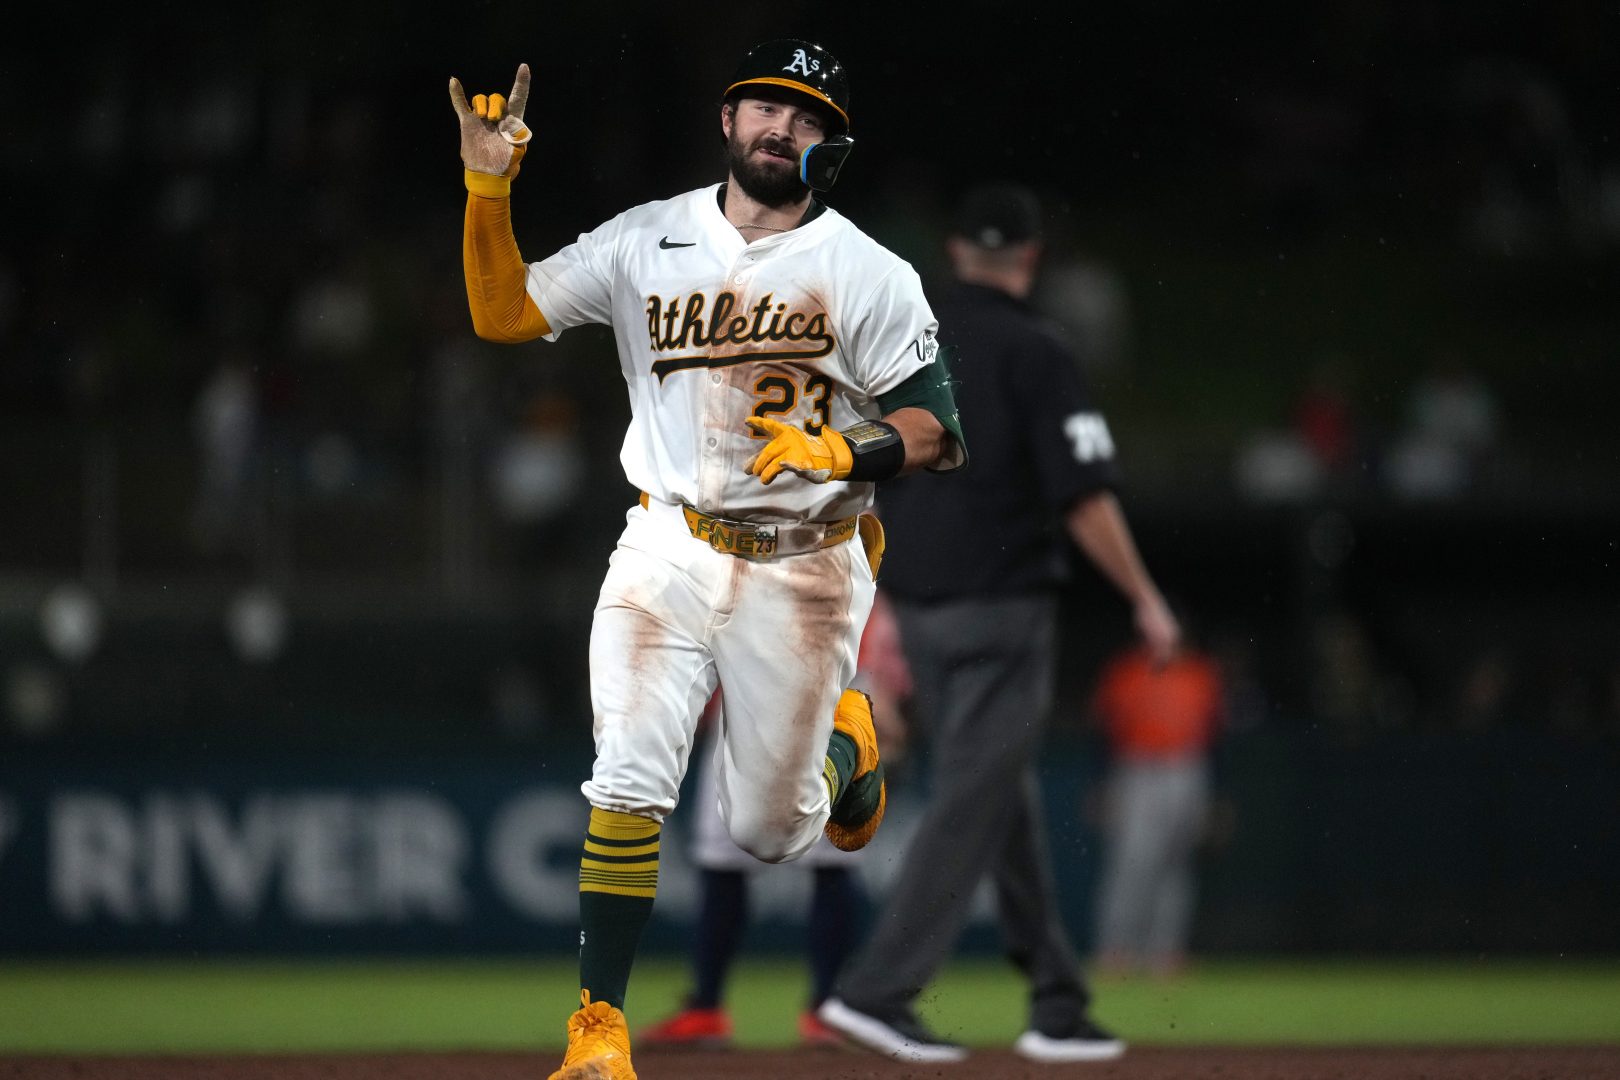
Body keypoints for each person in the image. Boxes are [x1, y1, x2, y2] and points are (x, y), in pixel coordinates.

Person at [448, 39, 966, 1080]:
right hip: (668, 541)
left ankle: (847, 745)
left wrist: (844, 450)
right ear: (728, 120)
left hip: (806, 562)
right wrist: (488, 191)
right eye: (766, 107)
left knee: (773, 833)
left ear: (831, 146)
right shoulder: (646, 239)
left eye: (807, 117)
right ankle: (598, 1028)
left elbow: (939, 430)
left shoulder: (867, 271)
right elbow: (503, 311)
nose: (782, 127)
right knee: (628, 775)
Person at [816, 181, 1181, 1065]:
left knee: (995, 791)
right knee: (974, 795)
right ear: (1031, 255)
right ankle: (877, 992)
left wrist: (872, 600)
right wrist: (1144, 595)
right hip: (1002, 607)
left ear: (952, 252)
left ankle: (1057, 998)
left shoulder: (905, 340)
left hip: (918, 605)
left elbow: (859, 468)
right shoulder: (1037, 349)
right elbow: (1082, 494)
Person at [638, 585, 913, 1049]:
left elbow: (858, 584)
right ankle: (705, 1008)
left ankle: (828, 1007)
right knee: (720, 855)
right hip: (743, 690)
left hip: (830, 685)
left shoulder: (838, 543)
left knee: (832, 852)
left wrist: (875, 682)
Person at [1088, 622, 1225, 980]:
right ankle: (1116, 950)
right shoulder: (1126, 670)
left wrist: (1215, 795)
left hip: (1186, 769)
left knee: (1176, 865)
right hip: (1136, 768)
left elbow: (1214, 735)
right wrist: (1101, 783)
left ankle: (1165, 952)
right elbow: (1103, 730)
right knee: (1131, 862)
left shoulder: (1200, 673)